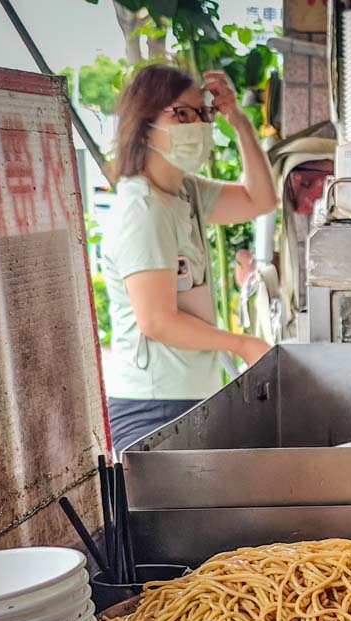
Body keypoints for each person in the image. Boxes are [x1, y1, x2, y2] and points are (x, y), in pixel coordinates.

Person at [102, 65, 276, 452]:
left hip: (191, 398)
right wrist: (242, 344)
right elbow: (158, 321)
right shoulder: (141, 210)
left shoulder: (185, 193)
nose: (196, 124)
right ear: (144, 124)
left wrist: (238, 120)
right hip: (152, 407)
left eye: (202, 113)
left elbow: (261, 199)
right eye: (181, 113)